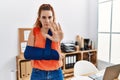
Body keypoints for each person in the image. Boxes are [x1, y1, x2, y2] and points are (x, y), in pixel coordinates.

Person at [24, 4, 64, 80]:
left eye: (49, 17)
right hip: (38, 73)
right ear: (39, 18)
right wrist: (53, 54)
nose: (47, 21)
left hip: (56, 73)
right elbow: (28, 54)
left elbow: (59, 54)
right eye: (44, 17)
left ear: (53, 18)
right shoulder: (34, 32)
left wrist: (60, 39)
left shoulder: (56, 32)